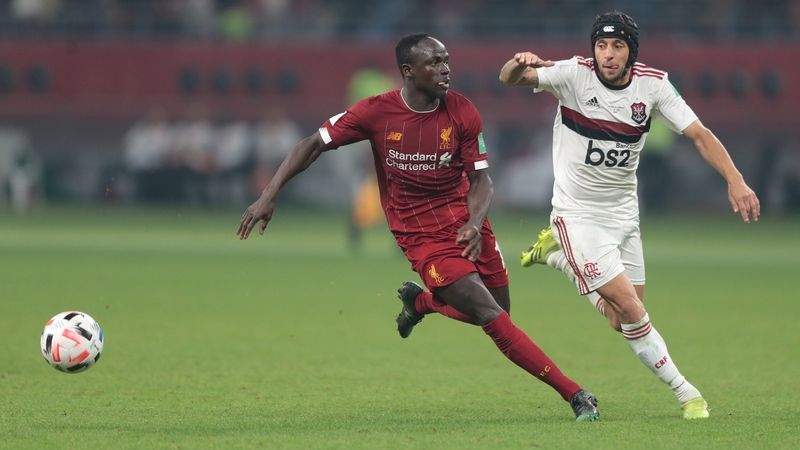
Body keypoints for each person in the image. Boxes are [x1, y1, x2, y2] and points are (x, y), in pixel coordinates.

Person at [238, 32, 599, 422]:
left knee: (500, 314)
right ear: (408, 71)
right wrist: (270, 193)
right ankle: (576, 394)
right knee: (489, 314)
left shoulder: (463, 111)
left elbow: (482, 181)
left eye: (446, 61)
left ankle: (421, 302)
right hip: (420, 235)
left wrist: (475, 225)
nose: (445, 70)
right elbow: (311, 143)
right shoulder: (375, 112)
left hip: (466, 224)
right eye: (434, 63)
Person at [499, 11, 760, 420]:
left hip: (624, 216)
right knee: (635, 313)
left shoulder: (653, 85)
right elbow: (509, 79)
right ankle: (687, 393)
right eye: (602, 45)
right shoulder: (573, 74)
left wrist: (735, 178)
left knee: (622, 321)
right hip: (577, 214)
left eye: (617, 46)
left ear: (631, 51)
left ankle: (560, 258)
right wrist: (519, 63)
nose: (608, 54)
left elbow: (699, 134)